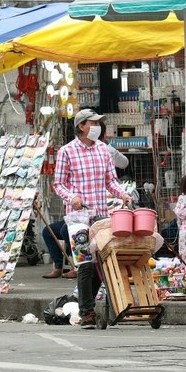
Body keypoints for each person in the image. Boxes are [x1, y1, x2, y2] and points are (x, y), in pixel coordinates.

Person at [53, 108, 131, 330]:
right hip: (78, 217)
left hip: (100, 217)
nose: (97, 126)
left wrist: (123, 194)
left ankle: (87, 305)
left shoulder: (104, 151)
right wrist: (72, 197)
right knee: (85, 262)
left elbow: (111, 182)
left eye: (98, 122)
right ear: (81, 126)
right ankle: (87, 312)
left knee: (99, 262)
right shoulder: (67, 152)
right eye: (93, 122)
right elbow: (59, 184)